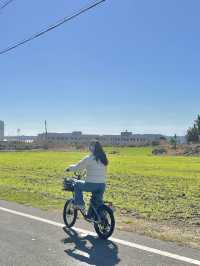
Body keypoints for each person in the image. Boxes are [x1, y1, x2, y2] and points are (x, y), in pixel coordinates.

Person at [65, 140, 108, 218]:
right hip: (102, 185)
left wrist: (69, 168)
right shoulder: (103, 158)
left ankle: (80, 204)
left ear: (92, 148)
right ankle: (96, 217)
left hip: (91, 184)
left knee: (77, 184)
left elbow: (78, 167)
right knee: (96, 202)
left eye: (90, 146)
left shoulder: (89, 158)